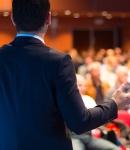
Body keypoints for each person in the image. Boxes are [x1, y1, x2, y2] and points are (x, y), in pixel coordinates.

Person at [0, 0, 130, 150]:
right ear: (48, 18)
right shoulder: (58, 62)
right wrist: (114, 104)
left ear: (12, 18)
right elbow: (80, 122)